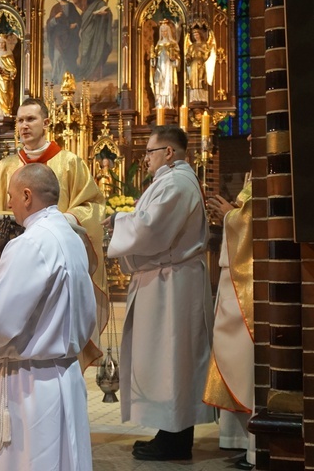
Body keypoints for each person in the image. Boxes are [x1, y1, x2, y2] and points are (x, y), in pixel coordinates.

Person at [0, 163, 96, 470]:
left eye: (12, 196)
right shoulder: (70, 238)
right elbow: (23, 294)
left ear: (27, 196)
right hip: (62, 376)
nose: (9, 204)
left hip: (28, 387)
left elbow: (0, 316)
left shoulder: (28, 243)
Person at [0, 97, 108, 371]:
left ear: (46, 123)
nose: (23, 126)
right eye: (19, 120)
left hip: (53, 261)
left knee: (48, 330)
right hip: (14, 261)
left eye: (30, 119)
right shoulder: (6, 166)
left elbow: (93, 205)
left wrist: (66, 218)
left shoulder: (69, 163)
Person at [104, 126, 214, 461]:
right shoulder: (172, 181)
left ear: (169, 152)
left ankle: (176, 440)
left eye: (150, 152)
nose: (146, 159)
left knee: (173, 359)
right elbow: (147, 221)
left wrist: (118, 222)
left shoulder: (177, 183)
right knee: (168, 359)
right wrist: (124, 219)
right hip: (167, 279)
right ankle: (170, 433)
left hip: (174, 284)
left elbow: (151, 228)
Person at [204, 136, 255, 470]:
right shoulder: (255, 172)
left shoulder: (269, 170)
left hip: (246, 281)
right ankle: (243, 441)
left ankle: (256, 446)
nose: (250, 137)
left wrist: (229, 215)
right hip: (233, 277)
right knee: (231, 355)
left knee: (244, 358)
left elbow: (254, 220)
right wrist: (231, 214)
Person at [73, 0, 112, 81]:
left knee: (96, 50)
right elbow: (76, 0)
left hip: (97, 32)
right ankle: (84, 73)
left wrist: (104, 14)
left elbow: (108, 13)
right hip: (86, 31)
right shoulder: (86, 2)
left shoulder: (101, 2)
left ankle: (95, 75)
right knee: (85, 52)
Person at [46, 0, 81, 82]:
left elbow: (78, 19)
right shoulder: (55, 8)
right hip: (58, 37)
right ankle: (56, 78)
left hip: (70, 37)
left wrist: (76, 24)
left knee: (70, 56)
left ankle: (69, 79)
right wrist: (55, 17)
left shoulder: (71, 6)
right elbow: (49, 24)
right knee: (58, 57)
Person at [150, 20, 180, 109]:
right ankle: (159, 103)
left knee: (168, 82)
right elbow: (154, 62)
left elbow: (178, 60)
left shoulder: (173, 44)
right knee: (158, 82)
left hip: (169, 67)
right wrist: (152, 59)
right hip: (160, 67)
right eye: (162, 31)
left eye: (165, 31)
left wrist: (174, 59)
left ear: (169, 31)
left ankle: (169, 103)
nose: (164, 33)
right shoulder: (158, 44)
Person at [185, 26, 216, 104]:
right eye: (194, 35)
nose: (196, 37)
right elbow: (188, 55)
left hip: (201, 63)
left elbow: (207, 55)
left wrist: (201, 50)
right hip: (193, 64)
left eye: (197, 35)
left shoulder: (204, 44)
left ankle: (201, 95)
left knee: (200, 79)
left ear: (200, 35)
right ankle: (195, 96)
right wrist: (188, 58)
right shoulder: (192, 46)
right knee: (193, 80)